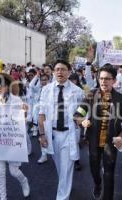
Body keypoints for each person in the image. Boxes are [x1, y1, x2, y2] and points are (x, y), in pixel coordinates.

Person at [74, 64, 122, 200]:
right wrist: (82, 121)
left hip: (111, 143)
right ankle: (97, 184)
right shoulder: (91, 95)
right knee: (94, 169)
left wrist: (121, 137)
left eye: (107, 79)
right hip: (93, 141)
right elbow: (78, 113)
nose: (103, 81)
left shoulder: (121, 99)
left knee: (109, 173)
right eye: (101, 78)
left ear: (114, 80)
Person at [39, 60, 84, 200]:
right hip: (51, 134)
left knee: (65, 168)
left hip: (68, 134)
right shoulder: (46, 90)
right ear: (53, 72)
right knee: (60, 168)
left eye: (63, 69)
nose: (60, 72)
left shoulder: (78, 91)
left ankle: (62, 196)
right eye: (57, 69)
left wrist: (83, 123)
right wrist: (41, 135)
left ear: (69, 72)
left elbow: (82, 113)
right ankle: (66, 185)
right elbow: (41, 114)